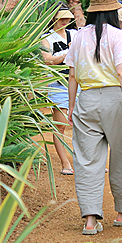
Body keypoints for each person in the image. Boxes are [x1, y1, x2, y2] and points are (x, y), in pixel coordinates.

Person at [66, 0, 122, 235]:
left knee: (87, 161)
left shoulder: (78, 36)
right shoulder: (118, 35)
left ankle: (90, 220)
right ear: (113, 11)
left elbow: (73, 75)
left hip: (86, 100)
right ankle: (121, 213)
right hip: (115, 100)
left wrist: (71, 106)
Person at [40, 9, 75, 175]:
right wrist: (67, 54)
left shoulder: (74, 34)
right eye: (61, 18)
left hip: (78, 83)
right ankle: (65, 162)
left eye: (67, 18)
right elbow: (47, 60)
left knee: (83, 124)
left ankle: (85, 160)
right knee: (60, 126)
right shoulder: (47, 38)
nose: (64, 21)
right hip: (58, 84)